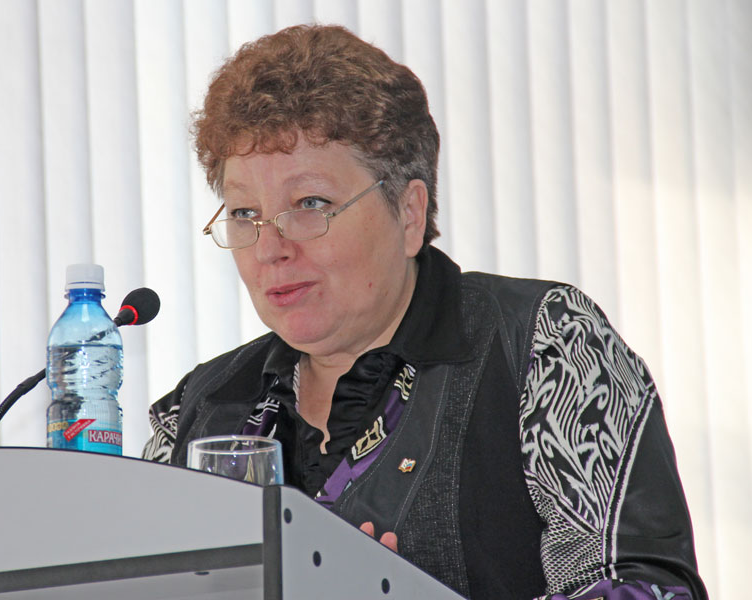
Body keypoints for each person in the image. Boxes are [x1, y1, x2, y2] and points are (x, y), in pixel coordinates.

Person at [142, 24, 707, 600]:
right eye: (243, 213)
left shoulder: (543, 345)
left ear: (409, 212)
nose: (270, 247)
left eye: (310, 203)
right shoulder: (198, 409)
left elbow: (644, 588)